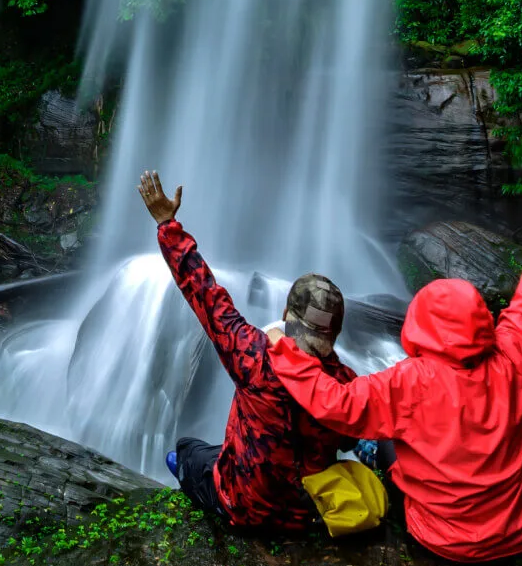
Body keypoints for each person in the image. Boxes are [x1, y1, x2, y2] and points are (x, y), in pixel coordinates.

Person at [265, 202, 522, 562]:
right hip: (518, 532)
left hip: (443, 540)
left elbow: (337, 403)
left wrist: (284, 350)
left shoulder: (410, 382)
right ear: (483, 319)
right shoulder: (511, 356)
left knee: (388, 441)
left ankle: (371, 455)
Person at [137, 170, 360, 532]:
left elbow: (206, 295)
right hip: (310, 513)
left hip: (245, 505)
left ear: (287, 315)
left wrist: (167, 224)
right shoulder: (345, 385)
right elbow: (352, 437)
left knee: (188, 451)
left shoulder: (253, 357)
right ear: (335, 332)